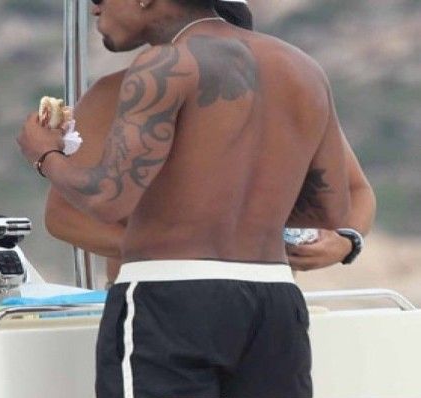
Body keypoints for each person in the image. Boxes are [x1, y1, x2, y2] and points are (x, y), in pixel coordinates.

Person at [18, 0, 353, 398]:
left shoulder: (165, 64)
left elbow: (108, 199)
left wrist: (44, 154)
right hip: (273, 299)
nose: (95, 8)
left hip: (170, 297)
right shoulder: (303, 68)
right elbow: (330, 212)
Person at [44, 0, 374, 284]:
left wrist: (347, 242)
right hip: (168, 286)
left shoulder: (282, 92)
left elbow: (356, 190)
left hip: (248, 287)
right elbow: (64, 215)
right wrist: (187, 252)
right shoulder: (119, 93)